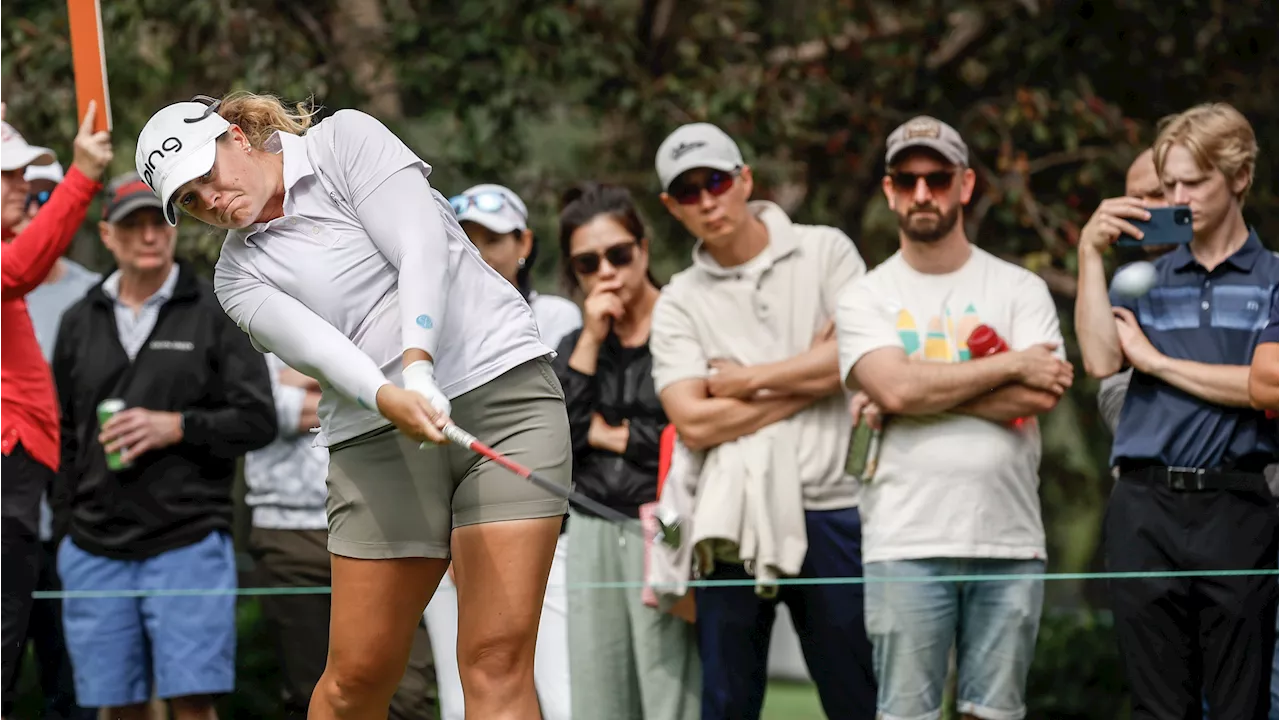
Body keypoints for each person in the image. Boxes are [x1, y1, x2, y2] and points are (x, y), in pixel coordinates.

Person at [135, 91, 572, 719]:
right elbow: (321, 351)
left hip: (505, 392)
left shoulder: (343, 142)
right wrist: (391, 394)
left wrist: (417, 361)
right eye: (189, 201)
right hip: (377, 437)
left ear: (235, 135)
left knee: (495, 660)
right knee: (356, 680)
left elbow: (420, 246)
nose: (211, 201)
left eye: (206, 176)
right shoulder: (236, 277)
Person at [836, 115, 1071, 720]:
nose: (922, 193)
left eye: (937, 178)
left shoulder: (1020, 287)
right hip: (904, 541)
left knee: (993, 715)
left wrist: (911, 395)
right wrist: (1011, 365)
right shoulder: (866, 295)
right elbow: (892, 385)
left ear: (965, 185)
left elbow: (1038, 397)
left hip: (1010, 540)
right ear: (889, 190)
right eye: (907, 180)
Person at [648, 121, 876, 720]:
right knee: (728, 705)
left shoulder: (826, 249)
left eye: (717, 181)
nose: (707, 200)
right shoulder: (677, 300)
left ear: (744, 180)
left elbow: (863, 359)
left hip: (832, 506)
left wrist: (741, 381)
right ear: (673, 206)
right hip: (729, 518)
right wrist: (811, 373)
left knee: (859, 697)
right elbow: (693, 423)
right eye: (689, 191)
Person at [1077, 102, 1280, 720]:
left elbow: (1269, 386)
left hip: (1238, 507)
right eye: (1169, 185)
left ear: (1239, 178)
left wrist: (1159, 363)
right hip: (1144, 510)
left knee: (1239, 708)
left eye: (1195, 182)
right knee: (1158, 709)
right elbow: (1099, 358)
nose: (1179, 197)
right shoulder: (1141, 279)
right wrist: (1089, 252)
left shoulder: (1273, 278)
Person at [51, 171, 277, 719]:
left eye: (159, 222)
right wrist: (66, 530)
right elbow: (61, 436)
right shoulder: (80, 319)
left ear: (175, 229)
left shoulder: (214, 310)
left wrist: (177, 426)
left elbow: (258, 420)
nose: (149, 236)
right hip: (94, 549)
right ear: (107, 236)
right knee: (117, 707)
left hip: (189, 544)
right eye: (133, 226)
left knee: (192, 703)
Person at [425, 182, 579, 720]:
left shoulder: (556, 317)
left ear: (525, 243)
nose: (479, 251)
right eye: (466, 239)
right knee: (461, 697)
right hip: (450, 536)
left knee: (559, 695)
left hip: (545, 532)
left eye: (492, 238)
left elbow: (565, 413)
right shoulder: (429, 327)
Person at [548, 182, 699, 720]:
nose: (607, 271)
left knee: (670, 689)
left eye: (619, 254)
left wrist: (608, 433)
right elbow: (558, 440)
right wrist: (589, 339)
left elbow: (685, 430)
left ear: (644, 248)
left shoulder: (686, 324)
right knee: (598, 693)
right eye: (588, 263)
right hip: (590, 526)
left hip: (666, 522)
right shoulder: (576, 347)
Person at [244, 352, 440, 719]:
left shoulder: (391, 312)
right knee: (312, 695)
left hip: (391, 524)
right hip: (291, 533)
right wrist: (371, 395)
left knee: (407, 696)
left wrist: (305, 379)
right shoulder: (261, 314)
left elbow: (423, 403)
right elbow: (261, 408)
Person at [0, 102, 111, 718]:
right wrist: (82, 176)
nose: (23, 185)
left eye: (25, 173)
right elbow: (22, 266)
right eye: (8, 174)